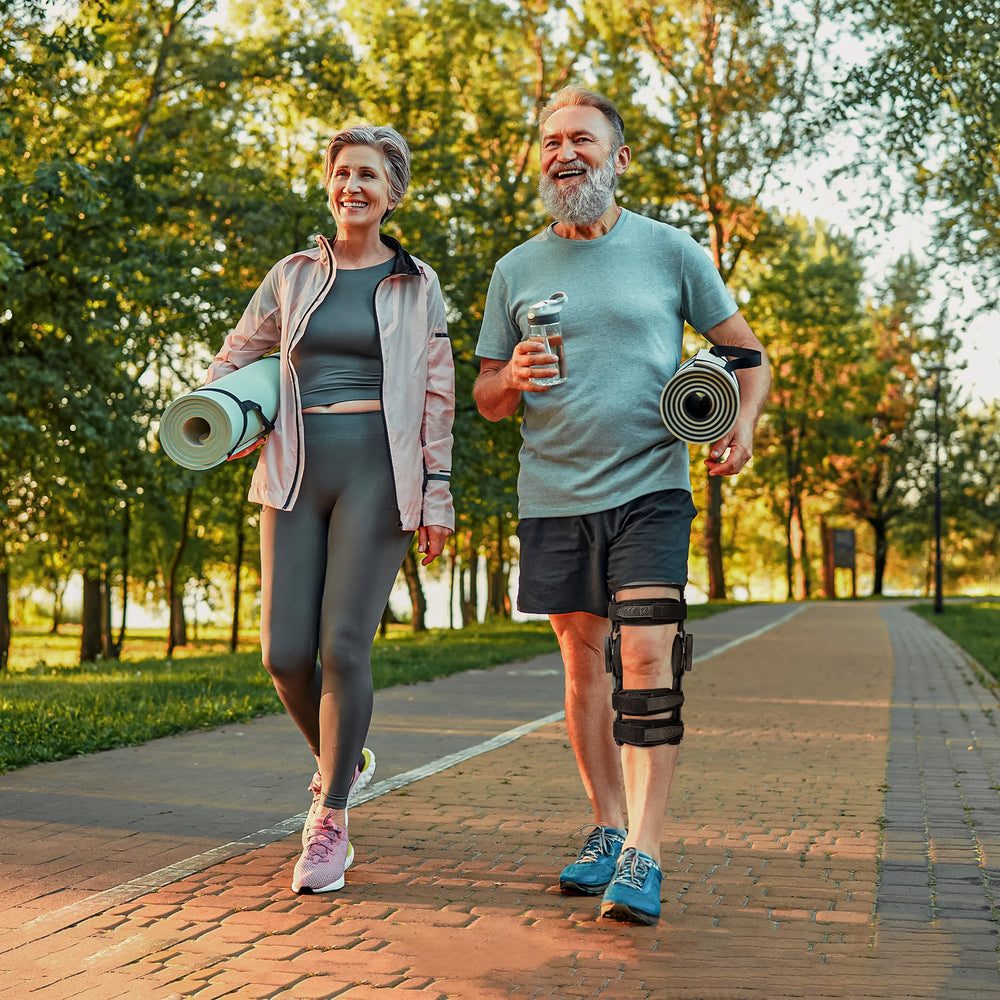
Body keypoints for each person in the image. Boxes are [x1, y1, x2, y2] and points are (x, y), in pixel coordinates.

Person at [474, 87, 770, 925]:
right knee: (580, 664)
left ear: (619, 158)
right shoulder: (514, 269)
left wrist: (741, 423)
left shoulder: (671, 251)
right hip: (554, 494)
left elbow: (747, 355)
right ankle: (605, 826)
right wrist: (509, 379)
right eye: (550, 141)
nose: (564, 152)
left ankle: (645, 850)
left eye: (582, 140)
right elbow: (487, 398)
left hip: (651, 487)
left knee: (645, 659)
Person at [207, 124, 455, 894]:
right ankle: (345, 755)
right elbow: (235, 356)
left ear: (392, 194)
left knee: (344, 646)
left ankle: (331, 818)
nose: (354, 186)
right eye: (344, 173)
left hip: (379, 472)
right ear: (329, 184)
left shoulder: (418, 283)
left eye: (370, 177)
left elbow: (440, 393)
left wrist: (437, 494)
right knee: (283, 654)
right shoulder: (291, 275)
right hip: (293, 469)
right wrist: (228, 416)